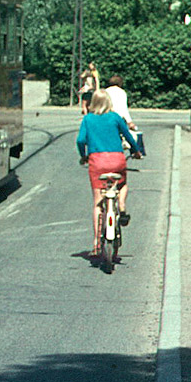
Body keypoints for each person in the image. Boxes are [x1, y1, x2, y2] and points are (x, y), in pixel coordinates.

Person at [76, 88, 139, 256]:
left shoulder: (88, 119)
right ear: (108, 102)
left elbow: (81, 140)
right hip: (117, 159)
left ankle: (97, 244)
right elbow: (128, 136)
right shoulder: (115, 117)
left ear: (92, 103)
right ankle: (122, 205)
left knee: (98, 202)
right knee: (123, 183)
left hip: (97, 161)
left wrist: (84, 156)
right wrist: (136, 151)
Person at [105, 75, 143, 158]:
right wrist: (129, 121)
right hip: (119, 117)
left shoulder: (105, 91)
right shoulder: (122, 92)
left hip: (107, 116)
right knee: (126, 133)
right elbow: (123, 108)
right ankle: (135, 151)